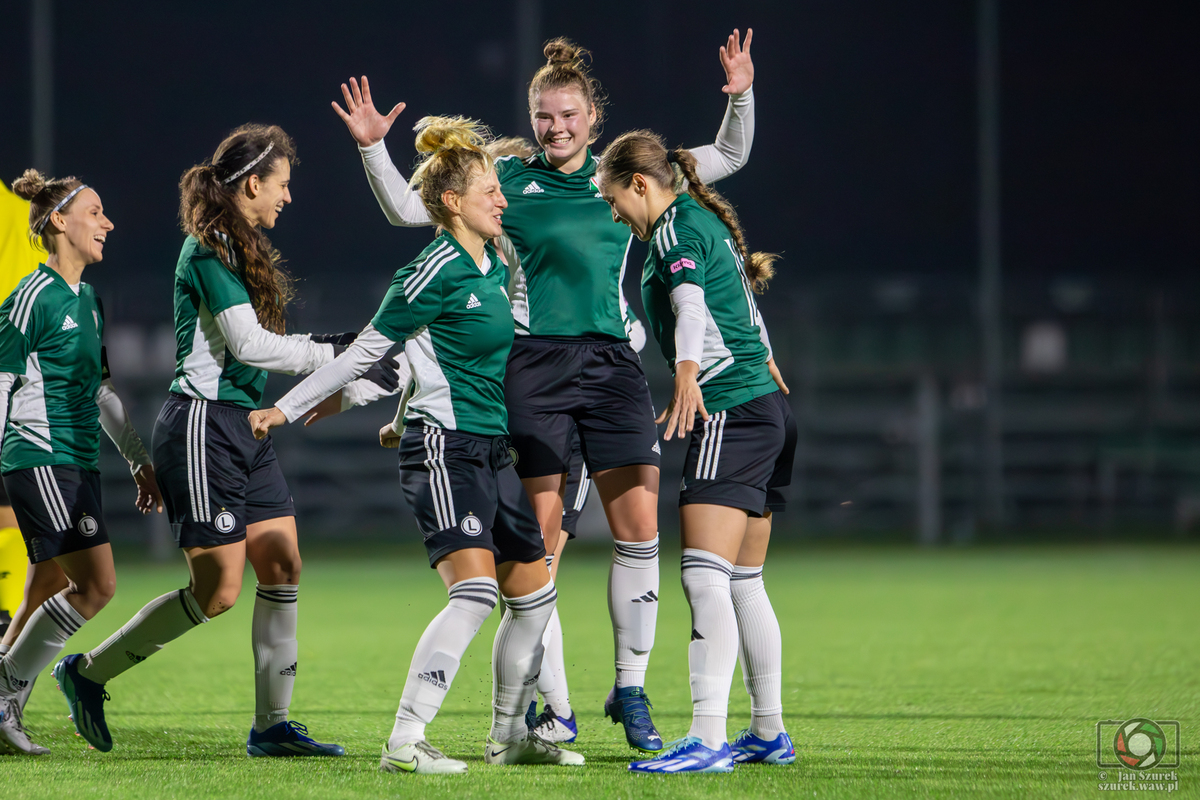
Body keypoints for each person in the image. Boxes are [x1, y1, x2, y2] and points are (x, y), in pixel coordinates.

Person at [332, 28, 757, 752]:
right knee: (541, 551)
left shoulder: (622, 174)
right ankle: (543, 712)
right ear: (531, 121)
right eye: (543, 117)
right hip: (532, 367)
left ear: (593, 117)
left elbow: (730, 156)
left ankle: (629, 689)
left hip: (613, 366)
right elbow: (412, 210)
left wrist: (740, 95)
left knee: (640, 532)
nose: (555, 128)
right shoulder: (509, 177)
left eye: (567, 116)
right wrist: (373, 147)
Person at [251, 116, 584, 774]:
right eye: (490, 189)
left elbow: (438, 359)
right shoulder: (430, 271)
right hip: (443, 450)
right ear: (454, 203)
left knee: (535, 596)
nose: (502, 199)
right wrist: (284, 410)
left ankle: (508, 736)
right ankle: (405, 738)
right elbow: (367, 354)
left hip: (491, 452)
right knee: (476, 595)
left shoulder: (495, 266)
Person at [54, 124, 397, 757]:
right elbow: (249, 347)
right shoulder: (208, 249)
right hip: (202, 427)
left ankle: (271, 727)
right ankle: (85, 672)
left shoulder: (241, 248)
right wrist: (335, 351)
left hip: (242, 426)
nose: (287, 198)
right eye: (283, 185)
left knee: (284, 565)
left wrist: (339, 356)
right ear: (252, 183)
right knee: (217, 593)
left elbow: (259, 352)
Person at [596, 130, 796, 774]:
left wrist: (685, 372)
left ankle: (708, 739)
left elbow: (689, 302)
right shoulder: (698, 220)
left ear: (640, 184)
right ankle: (767, 732)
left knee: (702, 575)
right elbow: (736, 307)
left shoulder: (679, 226)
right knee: (744, 580)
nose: (613, 212)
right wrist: (765, 358)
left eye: (613, 199)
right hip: (766, 406)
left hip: (729, 409)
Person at [0, 170, 162, 755]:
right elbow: (1, 382)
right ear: (60, 222)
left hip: (77, 460)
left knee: (49, 583)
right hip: (39, 454)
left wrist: (138, 461)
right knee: (95, 585)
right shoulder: (29, 297)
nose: (108, 223)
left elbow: (102, 394)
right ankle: (5, 692)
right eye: (96, 211)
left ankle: (3, 701)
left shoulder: (90, 301)